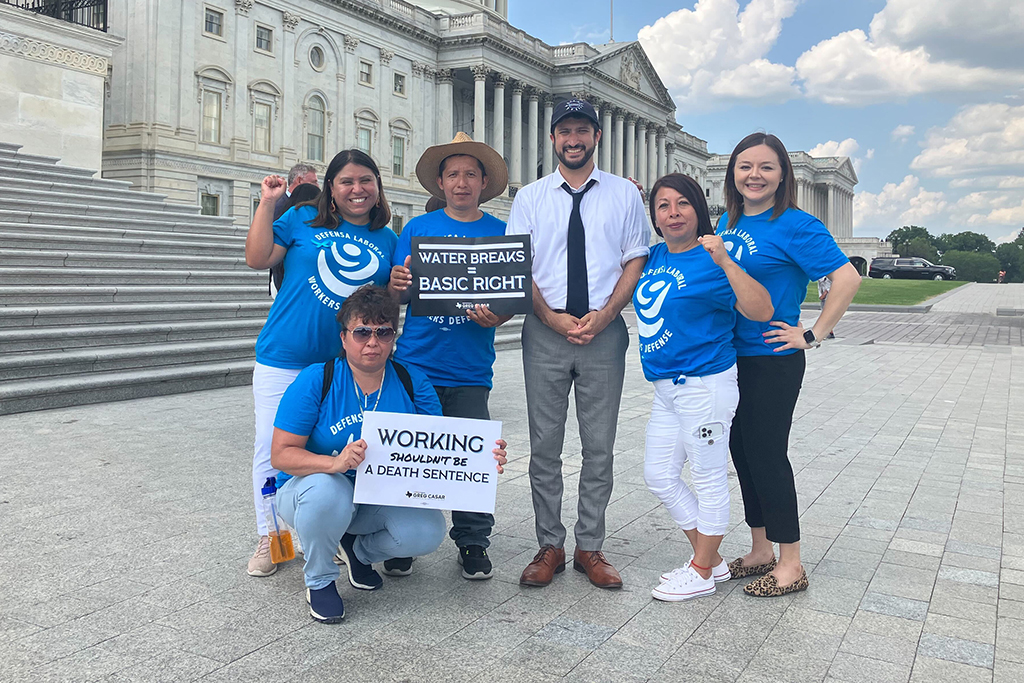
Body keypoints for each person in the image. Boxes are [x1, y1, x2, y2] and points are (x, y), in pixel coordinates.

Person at [271, 285, 510, 623]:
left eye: (383, 332)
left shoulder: (411, 380)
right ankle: (321, 580)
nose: (373, 342)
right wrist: (333, 464)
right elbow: (281, 455)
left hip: (374, 497)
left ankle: (358, 551)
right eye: (362, 332)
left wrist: (483, 456)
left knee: (426, 530)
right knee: (328, 491)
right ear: (343, 337)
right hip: (310, 493)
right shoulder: (317, 379)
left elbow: (441, 444)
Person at [506, 98, 650, 590]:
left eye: (582, 131)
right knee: (544, 446)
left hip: (604, 332)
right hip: (544, 332)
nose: (573, 139)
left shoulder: (624, 195)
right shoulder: (529, 197)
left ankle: (591, 545)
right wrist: (549, 316)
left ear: (596, 137)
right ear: (553, 139)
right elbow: (517, 265)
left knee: (599, 447)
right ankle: (550, 544)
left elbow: (635, 259)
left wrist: (606, 313)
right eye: (564, 131)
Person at [717, 133, 860, 597]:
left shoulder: (796, 225)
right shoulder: (730, 221)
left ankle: (791, 562)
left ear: (783, 176)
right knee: (741, 452)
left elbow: (846, 277)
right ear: (732, 173)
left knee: (767, 454)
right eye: (745, 166)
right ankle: (760, 548)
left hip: (772, 358)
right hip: (731, 355)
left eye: (766, 167)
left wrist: (812, 334)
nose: (754, 176)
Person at [244, 150, 398, 578]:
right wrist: (268, 202)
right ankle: (270, 535)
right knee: (270, 450)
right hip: (286, 356)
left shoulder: (386, 238)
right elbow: (257, 258)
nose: (357, 189)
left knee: (333, 449)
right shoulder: (301, 219)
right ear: (332, 187)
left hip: (342, 366)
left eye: (366, 180)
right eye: (347, 181)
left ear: (377, 186)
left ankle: (324, 533)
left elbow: (383, 307)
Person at [635, 173, 773, 602]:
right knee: (658, 474)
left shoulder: (716, 255)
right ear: (654, 216)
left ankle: (699, 572)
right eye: (663, 206)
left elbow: (761, 309)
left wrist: (728, 263)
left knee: (708, 476)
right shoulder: (655, 255)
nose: (673, 213)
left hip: (705, 384)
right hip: (666, 389)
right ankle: (709, 561)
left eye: (682, 204)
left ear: (699, 209)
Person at [386, 132, 511, 580]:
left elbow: (509, 298)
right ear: (440, 183)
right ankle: (402, 537)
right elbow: (398, 295)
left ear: (483, 183)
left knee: (471, 458)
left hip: (471, 366)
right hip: (416, 360)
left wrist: (497, 316)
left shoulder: (500, 233)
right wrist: (396, 287)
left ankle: (474, 540)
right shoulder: (417, 230)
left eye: (470, 175)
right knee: (411, 455)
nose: (462, 182)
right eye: (453, 174)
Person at [270, 164, 319, 297]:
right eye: (314, 181)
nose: (318, 187)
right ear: (299, 180)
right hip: (286, 277)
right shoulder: (279, 204)